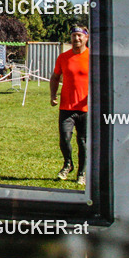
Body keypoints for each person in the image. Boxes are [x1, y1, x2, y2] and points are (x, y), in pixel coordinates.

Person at [49, 26, 89, 183]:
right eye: (73, 35)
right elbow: (55, 77)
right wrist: (53, 95)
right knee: (64, 139)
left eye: (79, 35)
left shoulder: (92, 57)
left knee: (83, 141)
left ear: (86, 38)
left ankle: (82, 173)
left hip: (86, 108)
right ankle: (68, 164)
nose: (76, 38)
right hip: (67, 107)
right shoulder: (63, 57)